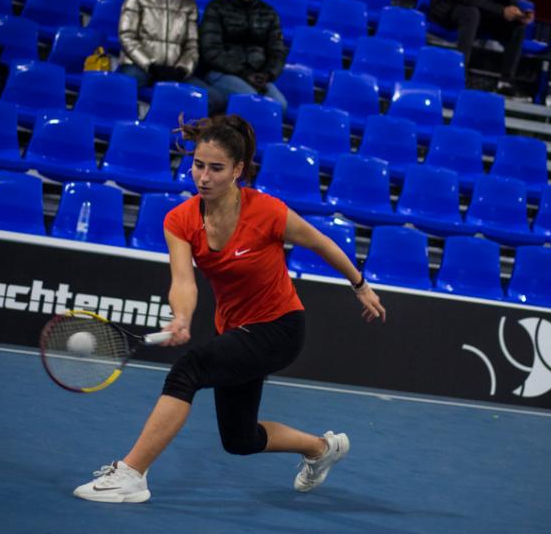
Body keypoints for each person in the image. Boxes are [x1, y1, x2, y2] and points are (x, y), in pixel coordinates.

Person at [73, 115, 386, 503]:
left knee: (188, 370)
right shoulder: (180, 220)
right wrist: (182, 316)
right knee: (239, 438)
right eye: (198, 165)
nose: (203, 177)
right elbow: (183, 281)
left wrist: (360, 285)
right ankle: (321, 448)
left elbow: (320, 242)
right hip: (235, 329)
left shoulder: (267, 212)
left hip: (280, 327)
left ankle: (131, 474)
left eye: (216, 168)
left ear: (237, 170)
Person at [118, 0, 226, 114]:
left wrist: (182, 69)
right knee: (120, 88)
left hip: (174, 70)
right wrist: (151, 65)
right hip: (140, 66)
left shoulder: (188, 3)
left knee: (216, 100)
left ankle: (180, 126)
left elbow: (192, 45)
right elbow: (127, 36)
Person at [198, 0, 287, 112]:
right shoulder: (215, 8)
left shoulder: (269, 13)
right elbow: (211, 51)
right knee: (254, 103)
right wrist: (244, 73)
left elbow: (277, 51)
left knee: (280, 106)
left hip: (257, 76)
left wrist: (267, 74)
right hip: (221, 72)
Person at [427, 0, 532, 85]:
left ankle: (505, 83)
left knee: (518, 26)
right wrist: (501, 10)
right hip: (451, 8)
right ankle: (459, 73)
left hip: (484, 14)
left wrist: (518, 14)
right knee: (471, 13)